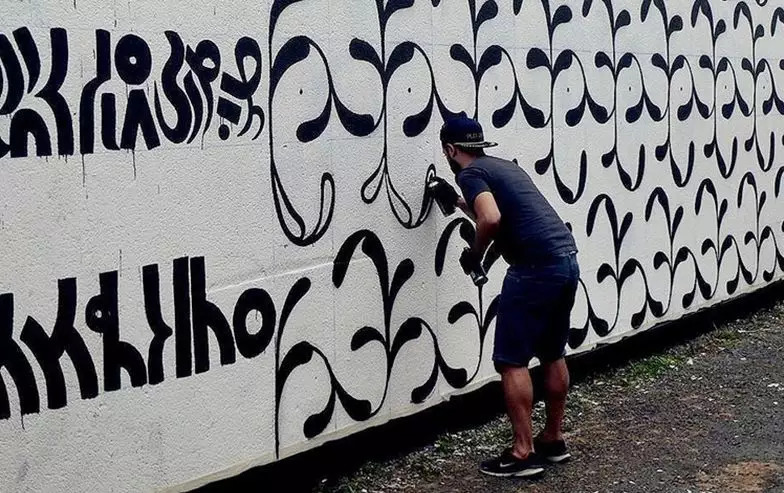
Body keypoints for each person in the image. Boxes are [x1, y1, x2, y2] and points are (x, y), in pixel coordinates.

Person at [437, 114, 580, 478]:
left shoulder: (469, 173)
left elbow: (491, 219)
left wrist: (475, 254)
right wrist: (457, 202)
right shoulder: (503, 167)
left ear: (451, 150)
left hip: (533, 269)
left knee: (511, 360)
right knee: (552, 352)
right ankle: (552, 440)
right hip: (565, 260)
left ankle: (522, 453)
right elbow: (508, 216)